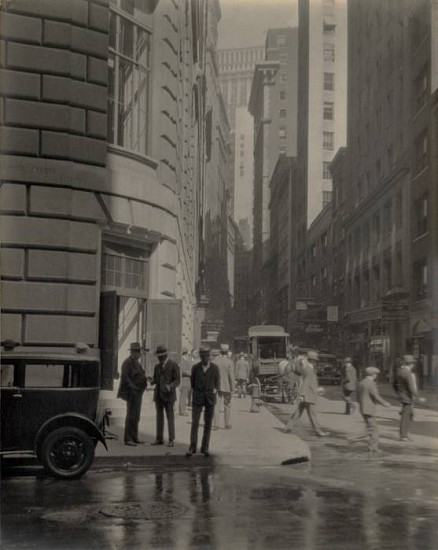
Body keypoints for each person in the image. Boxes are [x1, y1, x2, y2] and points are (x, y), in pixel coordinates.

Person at [284, 350, 328, 437]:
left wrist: (316, 389)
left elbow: (309, 382)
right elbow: (306, 382)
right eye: (315, 360)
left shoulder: (307, 368)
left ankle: (288, 427)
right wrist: (302, 394)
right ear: (312, 360)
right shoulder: (309, 369)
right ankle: (318, 432)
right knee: (312, 415)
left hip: (306, 395)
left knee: (298, 413)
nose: (316, 362)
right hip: (309, 396)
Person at [186, 346, 220, 457]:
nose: (205, 359)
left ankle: (205, 448)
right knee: (195, 423)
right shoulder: (195, 368)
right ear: (201, 357)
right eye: (203, 357)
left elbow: (217, 383)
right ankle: (192, 447)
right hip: (198, 398)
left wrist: (213, 391)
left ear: (209, 357)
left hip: (210, 398)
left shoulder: (215, 368)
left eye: (206, 356)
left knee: (208, 424)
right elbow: (193, 383)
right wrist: (198, 392)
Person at [117, 342, 148, 446]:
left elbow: (140, 375)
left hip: (138, 393)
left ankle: (134, 437)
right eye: (138, 352)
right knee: (131, 415)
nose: (139, 354)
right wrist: (133, 388)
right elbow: (125, 378)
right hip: (131, 393)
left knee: (136, 416)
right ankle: (128, 438)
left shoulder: (137, 363)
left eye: (139, 352)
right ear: (133, 352)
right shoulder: (127, 362)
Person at [355, 366, 391, 455]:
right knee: (374, 429)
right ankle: (373, 448)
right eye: (376, 374)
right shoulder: (371, 384)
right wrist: (385, 403)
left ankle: (370, 446)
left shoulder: (361, 383)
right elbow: (376, 396)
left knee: (370, 428)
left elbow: (357, 396)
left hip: (363, 408)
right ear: (373, 374)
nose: (376, 376)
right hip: (369, 409)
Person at [151, 345, 180, 447]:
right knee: (159, 418)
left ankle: (171, 439)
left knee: (170, 417)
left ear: (165, 356)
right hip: (158, 395)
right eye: (158, 356)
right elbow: (155, 379)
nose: (159, 358)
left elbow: (177, 380)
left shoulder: (173, 365)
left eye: (160, 356)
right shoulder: (157, 366)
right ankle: (159, 439)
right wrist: (151, 381)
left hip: (169, 396)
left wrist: (170, 386)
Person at [393, 354, 424, 441]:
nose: (413, 365)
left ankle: (404, 434)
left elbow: (394, 384)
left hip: (402, 396)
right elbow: (411, 387)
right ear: (410, 364)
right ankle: (404, 436)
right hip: (407, 398)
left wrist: (398, 393)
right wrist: (418, 397)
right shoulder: (408, 373)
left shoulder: (399, 371)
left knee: (407, 415)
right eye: (413, 363)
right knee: (406, 417)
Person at [213, 344, 235, 429]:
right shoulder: (230, 362)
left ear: (220, 351)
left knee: (216, 406)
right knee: (227, 405)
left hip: (216, 387)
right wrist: (233, 388)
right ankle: (227, 424)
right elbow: (231, 376)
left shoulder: (214, 361)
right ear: (227, 352)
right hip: (227, 387)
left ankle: (216, 424)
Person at [179, 348, 192, 416]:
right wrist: (191, 373)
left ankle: (182, 409)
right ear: (185, 353)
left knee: (185, 396)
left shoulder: (187, 360)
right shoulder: (182, 360)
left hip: (187, 381)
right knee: (183, 397)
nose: (189, 355)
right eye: (188, 354)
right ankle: (182, 411)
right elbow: (182, 371)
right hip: (184, 381)